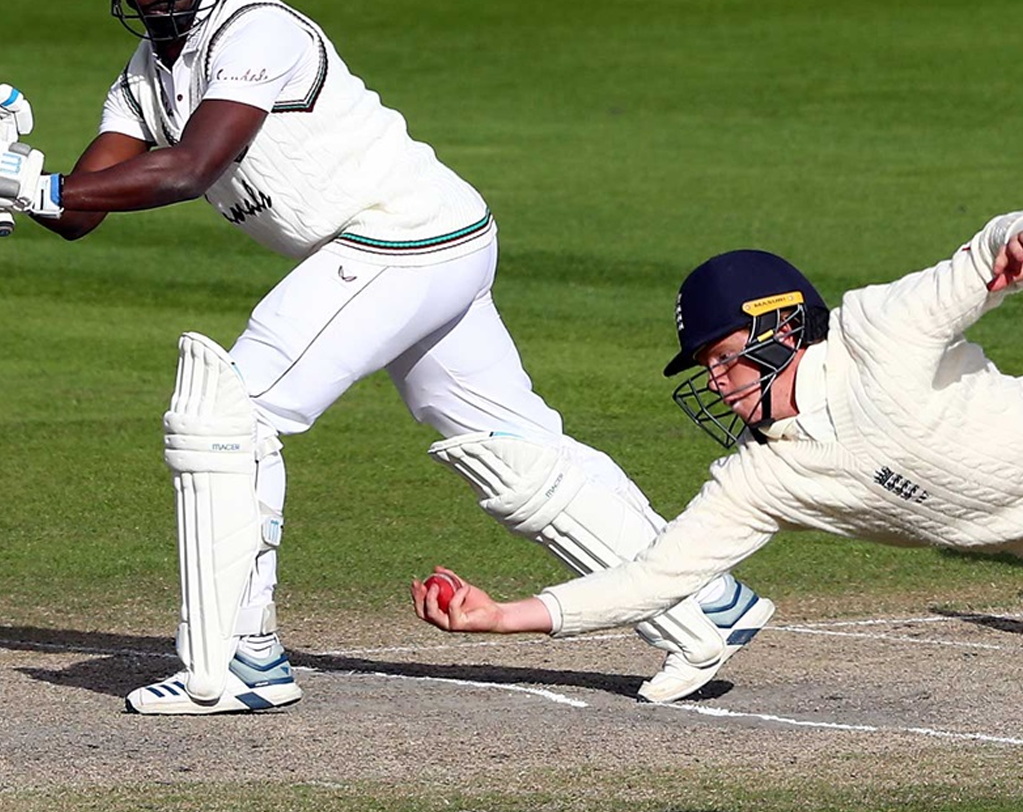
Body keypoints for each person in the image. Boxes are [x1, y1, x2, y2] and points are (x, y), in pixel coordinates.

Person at [0, 0, 773, 714]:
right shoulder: (144, 76)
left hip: (400, 236)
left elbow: (192, 168)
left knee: (230, 414)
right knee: (506, 445)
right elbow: (83, 208)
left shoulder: (256, 33)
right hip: (423, 242)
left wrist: (27, 183)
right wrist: (8, 165)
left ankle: (238, 663)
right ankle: (703, 604)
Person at [412, 219, 1023, 653]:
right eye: (705, 366)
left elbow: (982, 258)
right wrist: (502, 617)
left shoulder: (881, 331)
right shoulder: (762, 479)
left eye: (725, 356)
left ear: (783, 328)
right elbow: (652, 579)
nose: (718, 382)